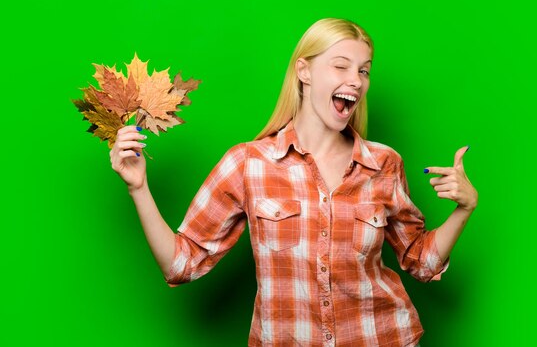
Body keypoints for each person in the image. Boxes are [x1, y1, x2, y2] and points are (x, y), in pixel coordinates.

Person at [110, 18, 478, 347]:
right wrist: (137, 188)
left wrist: (464, 208)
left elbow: (422, 263)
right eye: (341, 66)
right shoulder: (248, 164)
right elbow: (181, 264)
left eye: (364, 71)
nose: (356, 80)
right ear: (304, 71)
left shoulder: (384, 163)